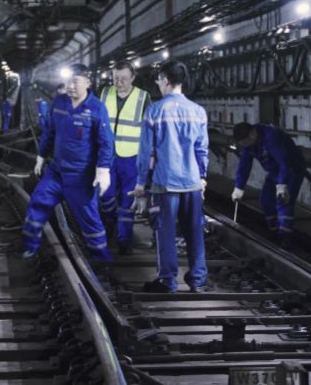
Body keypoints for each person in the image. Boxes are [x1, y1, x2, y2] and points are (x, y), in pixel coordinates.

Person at [131, 60, 209, 293]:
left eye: (158, 80)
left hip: (165, 184)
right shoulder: (198, 111)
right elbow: (202, 149)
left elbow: (145, 151)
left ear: (166, 80)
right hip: (192, 183)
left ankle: (167, 281)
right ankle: (198, 280)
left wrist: (140, 182)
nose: (158, 83)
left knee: (165, 231)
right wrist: (202, 176)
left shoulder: (155, 111)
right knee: (194, 231)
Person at [22, 64, 114, 261]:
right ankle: (31, 248)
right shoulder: (59, 103)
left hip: (81, 176)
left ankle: (101, 259)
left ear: (88, 82)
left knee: (89, 220)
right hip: (56, 172)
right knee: (36, 204)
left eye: (75, 82)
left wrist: (103, 170)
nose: (70, 86)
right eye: (67, 82)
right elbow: (49, 131)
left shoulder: (97, 108)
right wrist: (41, 156)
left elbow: (106, 142)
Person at [98, 60, 150, 254]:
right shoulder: (104, 93)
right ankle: (110, 222)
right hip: (106, 156)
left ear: (133, 78)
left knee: (127, 201)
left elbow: (149, 131)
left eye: (123, 79)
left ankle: (123, 241)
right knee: (106, 195)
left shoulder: (143, 97)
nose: (119, 83)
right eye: (115, 78)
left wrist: (149, 156)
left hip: (131, 157)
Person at [231, 123, 305, 247]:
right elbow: (244, 165)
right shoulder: (249, 144)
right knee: (266, 200)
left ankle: (285, 237)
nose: (245, 146)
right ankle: (275, 231)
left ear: (252, 134)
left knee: (283, 201)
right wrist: (239, 187)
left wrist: (282, 185)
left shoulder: (271, 137)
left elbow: (284, 162)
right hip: (275, 171)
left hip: (291, 169)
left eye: (245, 143)